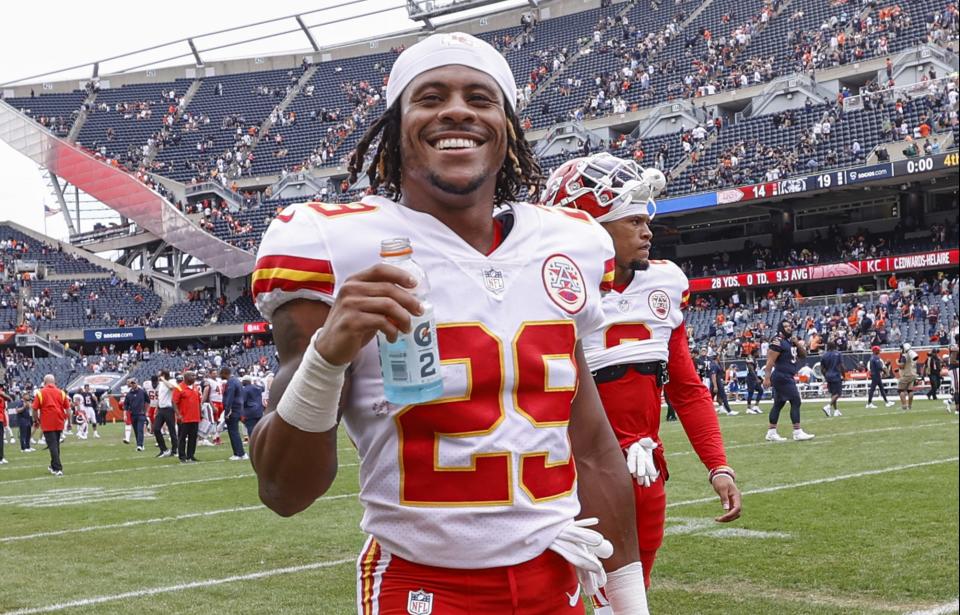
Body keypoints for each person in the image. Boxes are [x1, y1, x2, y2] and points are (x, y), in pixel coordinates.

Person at [248, 32, 648, 614]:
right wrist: (327, 355)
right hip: (423, 587)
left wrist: (630, 602)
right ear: (395, 130)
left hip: (555, 578)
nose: (457, 109)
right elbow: (284, 491)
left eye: (480, 98)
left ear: (507, 130)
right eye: (430, 97)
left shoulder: (568, 243)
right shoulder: (331, 243)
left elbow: (588, 447)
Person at [540, 153, 741, 598]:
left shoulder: (665, 284)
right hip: (572, 473)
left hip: (646, 468)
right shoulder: (550, 290)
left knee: (632, 596)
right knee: (562, 596)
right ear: (590, 228)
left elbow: (687, 390)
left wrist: (717, 465)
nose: (647, 231)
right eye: (632, 221)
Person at [763, 320, 815, 441]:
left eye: (789, 326)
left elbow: (803, 355)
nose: (788, 328)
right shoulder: (778, 341)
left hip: (787, 376)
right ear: (781, 328)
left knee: (778, 404)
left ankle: (771, 432)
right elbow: (770, 361)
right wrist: (766, 378)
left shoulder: (790, 342)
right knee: (796, 401)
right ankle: (797, 431)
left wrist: (796, 343)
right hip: (782, 376)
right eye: (785, 326)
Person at [32, 374, 70, 475]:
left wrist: (36, 420)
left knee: (52, 445)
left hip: (47, 421)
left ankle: (58, 468)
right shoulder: (61, 392)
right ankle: (53, 465)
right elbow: (68, 409)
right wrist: (69, 422)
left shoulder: (40, 393)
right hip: (59, 421)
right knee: (56, 444)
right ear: (54, 382)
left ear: (44, 382)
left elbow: (34, 408)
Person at [173, 371, 202, 463]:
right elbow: (174, 402)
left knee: (193, 438)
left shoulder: (195, 387)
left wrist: (200, 412)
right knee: (182, 438)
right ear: (186, 377)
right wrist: (178, 414)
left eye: (194, 375)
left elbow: (198, 401)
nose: (194, 377)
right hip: (184, 418)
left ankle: (191, 455)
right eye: (192, 375)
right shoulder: (179, 388)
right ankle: (182, 456)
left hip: (195, 417)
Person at [220, 367, 247, 461]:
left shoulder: (231, 382)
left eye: (221, 374)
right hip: (238, 408)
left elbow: (229, 397)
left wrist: (227, 411)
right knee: (234, 432)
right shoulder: (236, 381)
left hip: (233, 410)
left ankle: (239, 453)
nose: (220, 376)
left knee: (233, 432)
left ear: (224, 373)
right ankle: (239, 453)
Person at [154, 372, 179, 457]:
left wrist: (164, 380)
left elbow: (172, 388)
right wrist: (157, 408)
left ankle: (175, 450)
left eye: (160, 375)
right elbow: (160, 396)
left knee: (172, 430)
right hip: (161, 409)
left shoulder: (172, 381)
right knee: (156, 429)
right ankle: (164, 449)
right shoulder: (160, 384)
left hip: (169, 409)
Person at [820, 340, 844, 417]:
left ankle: (836, 410)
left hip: (828, 375)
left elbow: (822, 368)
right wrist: (843, 374)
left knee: (833, 393)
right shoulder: (838, 354)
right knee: (838, 393)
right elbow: (841, 366)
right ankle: (828, 406)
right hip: (836, 375)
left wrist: (825, 375)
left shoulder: (824, 355)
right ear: (835, 346)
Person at [123, 378, 149, 451]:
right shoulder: (129, 394)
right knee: (136, 431)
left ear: (137, 383)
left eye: (134, 383)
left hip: (141, 414)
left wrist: (146, 411)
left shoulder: (142, 392)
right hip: (133, 414)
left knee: (140, 429)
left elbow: (148, 401)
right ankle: (140, 444)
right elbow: (126, 405)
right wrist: (125, 414)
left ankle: (139, 445)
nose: (133, 384)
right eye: (132, 383)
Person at [896, 342, 919, 411]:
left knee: (901, 390)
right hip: (912, 374)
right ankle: (910, 406)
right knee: (910, 390)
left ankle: (904, 406)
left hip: (906, 375)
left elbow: (902, 366)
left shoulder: (904, 356)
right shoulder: (912, 355)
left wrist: (897, 362)